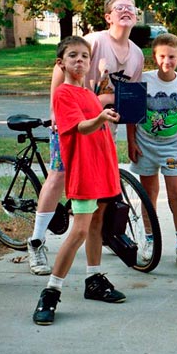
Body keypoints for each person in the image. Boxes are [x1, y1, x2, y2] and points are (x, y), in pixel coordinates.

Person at [26, 0, 144, 275]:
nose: (126, 11)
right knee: (59, 175)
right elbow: (61, 72)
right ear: (108, 16)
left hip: (103, 127)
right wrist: (56, 113)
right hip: (71, 122)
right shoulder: (93, 41)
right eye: (119, 7)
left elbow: (132, 100)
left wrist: (130, 139)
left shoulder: (137, 54)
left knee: (99, 191)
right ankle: (36, 240)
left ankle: (95, 244)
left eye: (131, 7)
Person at [32, 36, 126, 326]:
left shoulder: (89, 94)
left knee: (97, 225)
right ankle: (51, 291)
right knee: (79, 232)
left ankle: (93, 279)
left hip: (103, 169)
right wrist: (101, 118)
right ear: (61, 63)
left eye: (84, 56)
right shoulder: (63, 94)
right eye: (73, 56)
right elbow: (80, 128)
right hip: (84, 172)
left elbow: (97, 128)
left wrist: (104, 116)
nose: (80, 60)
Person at [127, 33, 177, 269]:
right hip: (145, 144)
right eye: (162, 56)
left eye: (172, 56)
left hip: (172, 147)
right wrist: (131, 142)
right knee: (149, 196)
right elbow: (131, 113)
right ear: (154, 57)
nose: (166, 60)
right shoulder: (143, 80)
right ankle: (149, 241)